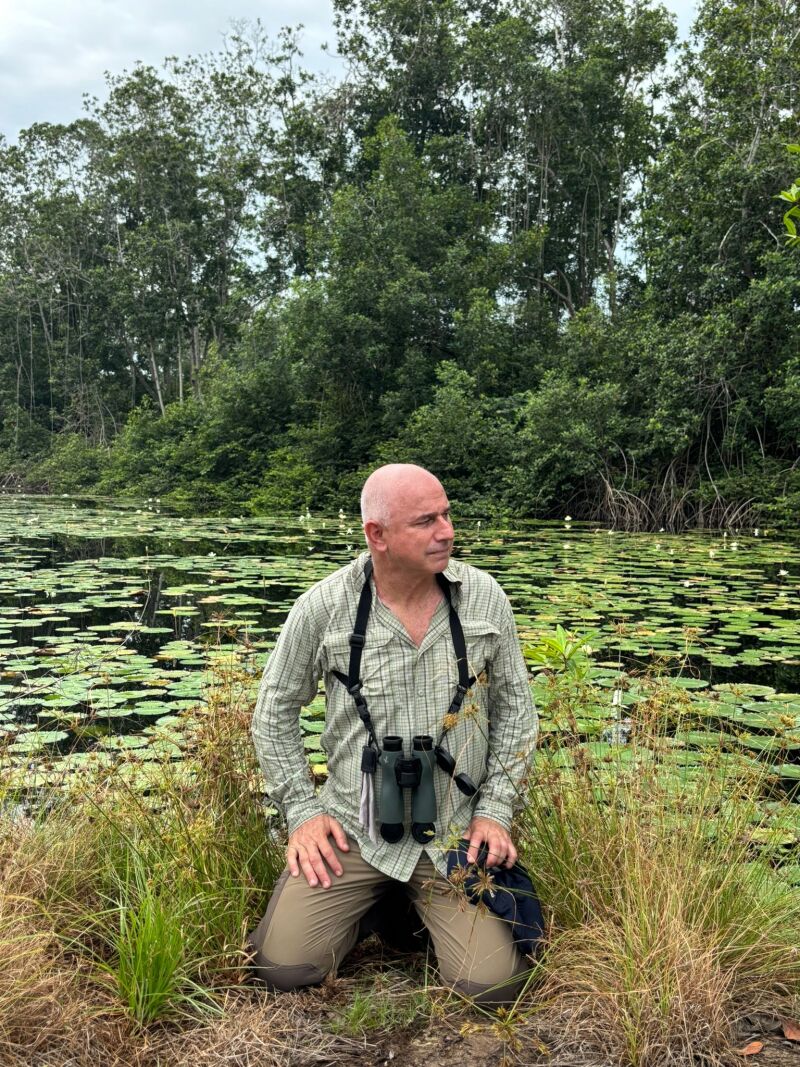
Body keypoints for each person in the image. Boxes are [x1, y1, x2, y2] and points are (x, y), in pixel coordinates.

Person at [248, 463, 537, 1005]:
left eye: (446, 514)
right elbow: (273, 714)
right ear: (376, 535)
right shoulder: (322, 607)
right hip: (353, 831)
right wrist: (303, 814)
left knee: (491, 986)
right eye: (426, 520)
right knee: (285, 968)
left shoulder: (483, 597)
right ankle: (378, 903)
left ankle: (413, 904)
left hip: (453, 831)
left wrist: (495, 810)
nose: (447, 530)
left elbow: (517, 711)